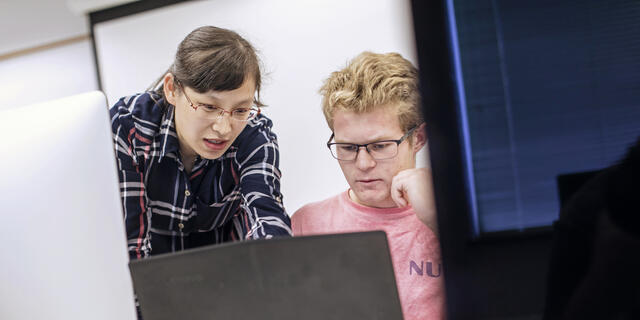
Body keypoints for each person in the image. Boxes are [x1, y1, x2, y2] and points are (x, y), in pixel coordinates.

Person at [110, 26, 291, 260]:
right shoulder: (130, 127)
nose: (223, 129)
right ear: (171, 90)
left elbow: (266, 214)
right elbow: (130, 246)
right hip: (153, 274)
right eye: (209, 107)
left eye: (240, 109)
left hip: (229, 276)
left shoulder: (253, 134)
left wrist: (280, 267)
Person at [291, 52, 445, 320]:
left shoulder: (454, 214)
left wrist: (439, 219)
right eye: (348, 148)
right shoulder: (306, 224)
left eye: (380, 146)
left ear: (418, 138)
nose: (362, 164)